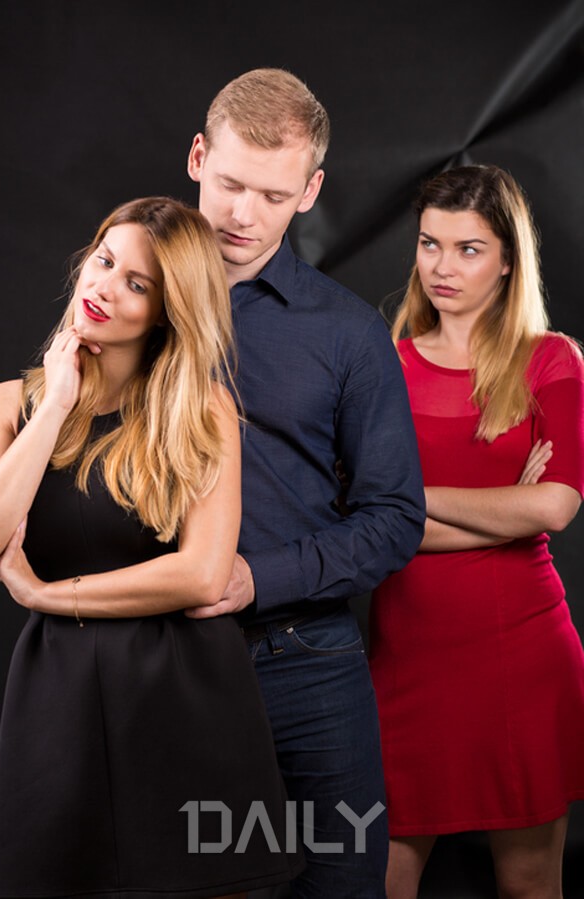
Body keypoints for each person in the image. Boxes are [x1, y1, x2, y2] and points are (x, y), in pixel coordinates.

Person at [0, 196, 305, 898]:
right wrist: (56, 405)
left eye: (136, 283)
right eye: (104, 262)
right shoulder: (8, 405)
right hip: (57, 699)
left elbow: (202, 574)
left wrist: (44, 594)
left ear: (166, 311)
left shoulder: (204, 409)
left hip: (186, 695)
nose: (103, 287)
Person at [184, 68, 426, 897]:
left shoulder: (349, 333)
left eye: (274, 195)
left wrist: (257, 577)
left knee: (340, 881)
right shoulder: (128, 301)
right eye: (229, 183)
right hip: (163, 661)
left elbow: (394, 517)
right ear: (197, 158)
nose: (244, 215)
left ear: (311, 192)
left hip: (307, 663)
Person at [368, 164, 584, 899]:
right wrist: (502, 509)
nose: (442, 266)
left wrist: (413, 502)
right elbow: (368, 528)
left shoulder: (550, 358)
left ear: (508, 259)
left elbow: (555, 506)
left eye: (468, 249)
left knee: (529, 882)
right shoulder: (385, 366)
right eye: (430, 243)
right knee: (380, 877)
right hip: (407, 653)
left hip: (521, 648)